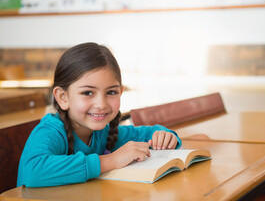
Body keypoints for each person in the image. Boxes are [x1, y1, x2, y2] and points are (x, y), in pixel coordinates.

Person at [17, 42, 182, 188]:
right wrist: (110, 161)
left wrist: (165, 136)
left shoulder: (105, 131)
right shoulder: (50, 132)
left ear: (121, 92)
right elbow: (33, 171)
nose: (101, 104)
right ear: (63, 97)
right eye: (88, 92)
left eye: (111, 92)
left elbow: (145, 134)